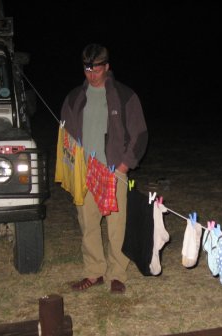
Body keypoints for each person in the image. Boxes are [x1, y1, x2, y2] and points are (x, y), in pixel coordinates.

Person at [60, 43, 148, 294]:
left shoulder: (124, 95)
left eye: (96, 69)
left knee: (116, 224)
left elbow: (140, 134)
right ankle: (94, 272)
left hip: (113, 170)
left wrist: (123, 165)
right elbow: (65, 135)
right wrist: (71, 166)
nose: (91, 74)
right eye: (87, 69)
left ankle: (117, 274)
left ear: (107, 67)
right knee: (87, 223)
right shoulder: (75, 98)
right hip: (84, 170)